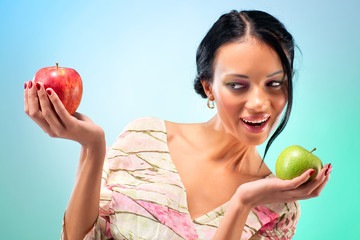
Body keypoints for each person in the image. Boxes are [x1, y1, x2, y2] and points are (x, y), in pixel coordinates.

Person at [24, 9, 331, 240]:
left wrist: (244, 201)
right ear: (208, 87)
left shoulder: (278, 206)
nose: (260, 103)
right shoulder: (144, 138)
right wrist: (93, 146)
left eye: (274, 83)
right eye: (238, 85)